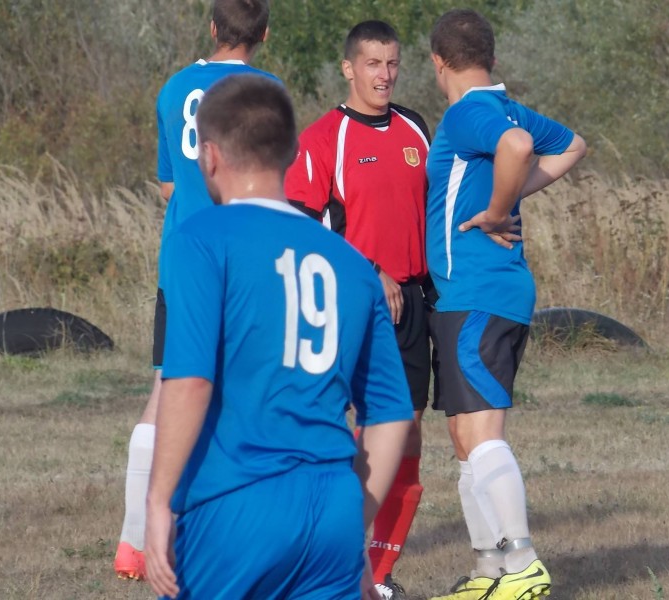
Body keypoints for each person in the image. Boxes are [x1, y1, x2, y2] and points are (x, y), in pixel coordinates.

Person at [145, 74, 412, 599]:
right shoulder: (354, 264)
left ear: (209, 156)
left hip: (234, 503)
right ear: (292, 153)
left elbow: (190, 381)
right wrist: (352, 523)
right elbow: (390, 414)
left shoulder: (199, 240)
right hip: (333, 507)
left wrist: (156, 503)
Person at [113, 0, 280, 580]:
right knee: (248, 389)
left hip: (183, 258)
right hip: (244, 260)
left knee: (167, 386)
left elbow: (168, 186)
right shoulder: (268, 91)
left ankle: (134, 541)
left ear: (213, 28)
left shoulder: (174, 88)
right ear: (264, 33)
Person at [424, 9, 587, 600]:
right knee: (463, 433)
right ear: (491, 57)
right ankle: (489, 569)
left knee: (482, 430)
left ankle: (523, 563)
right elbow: (572, 145)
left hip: (479, 291)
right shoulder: (505, 106)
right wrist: (511, 190)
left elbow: (518, 147)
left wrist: (497, 211)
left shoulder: (468, 112)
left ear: (438, 63)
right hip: (468, 295)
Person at [284, 20, 431, 599]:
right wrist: (370, 271)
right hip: (352, 302)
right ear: (349, 68)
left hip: (413, 304)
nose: (384, 75)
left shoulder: (415, 127)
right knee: (347, 435)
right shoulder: (324, 137)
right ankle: (324, 562)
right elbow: (300, 227)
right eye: (373, 63)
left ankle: (377, 575)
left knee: (407, 436)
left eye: (392, 63)